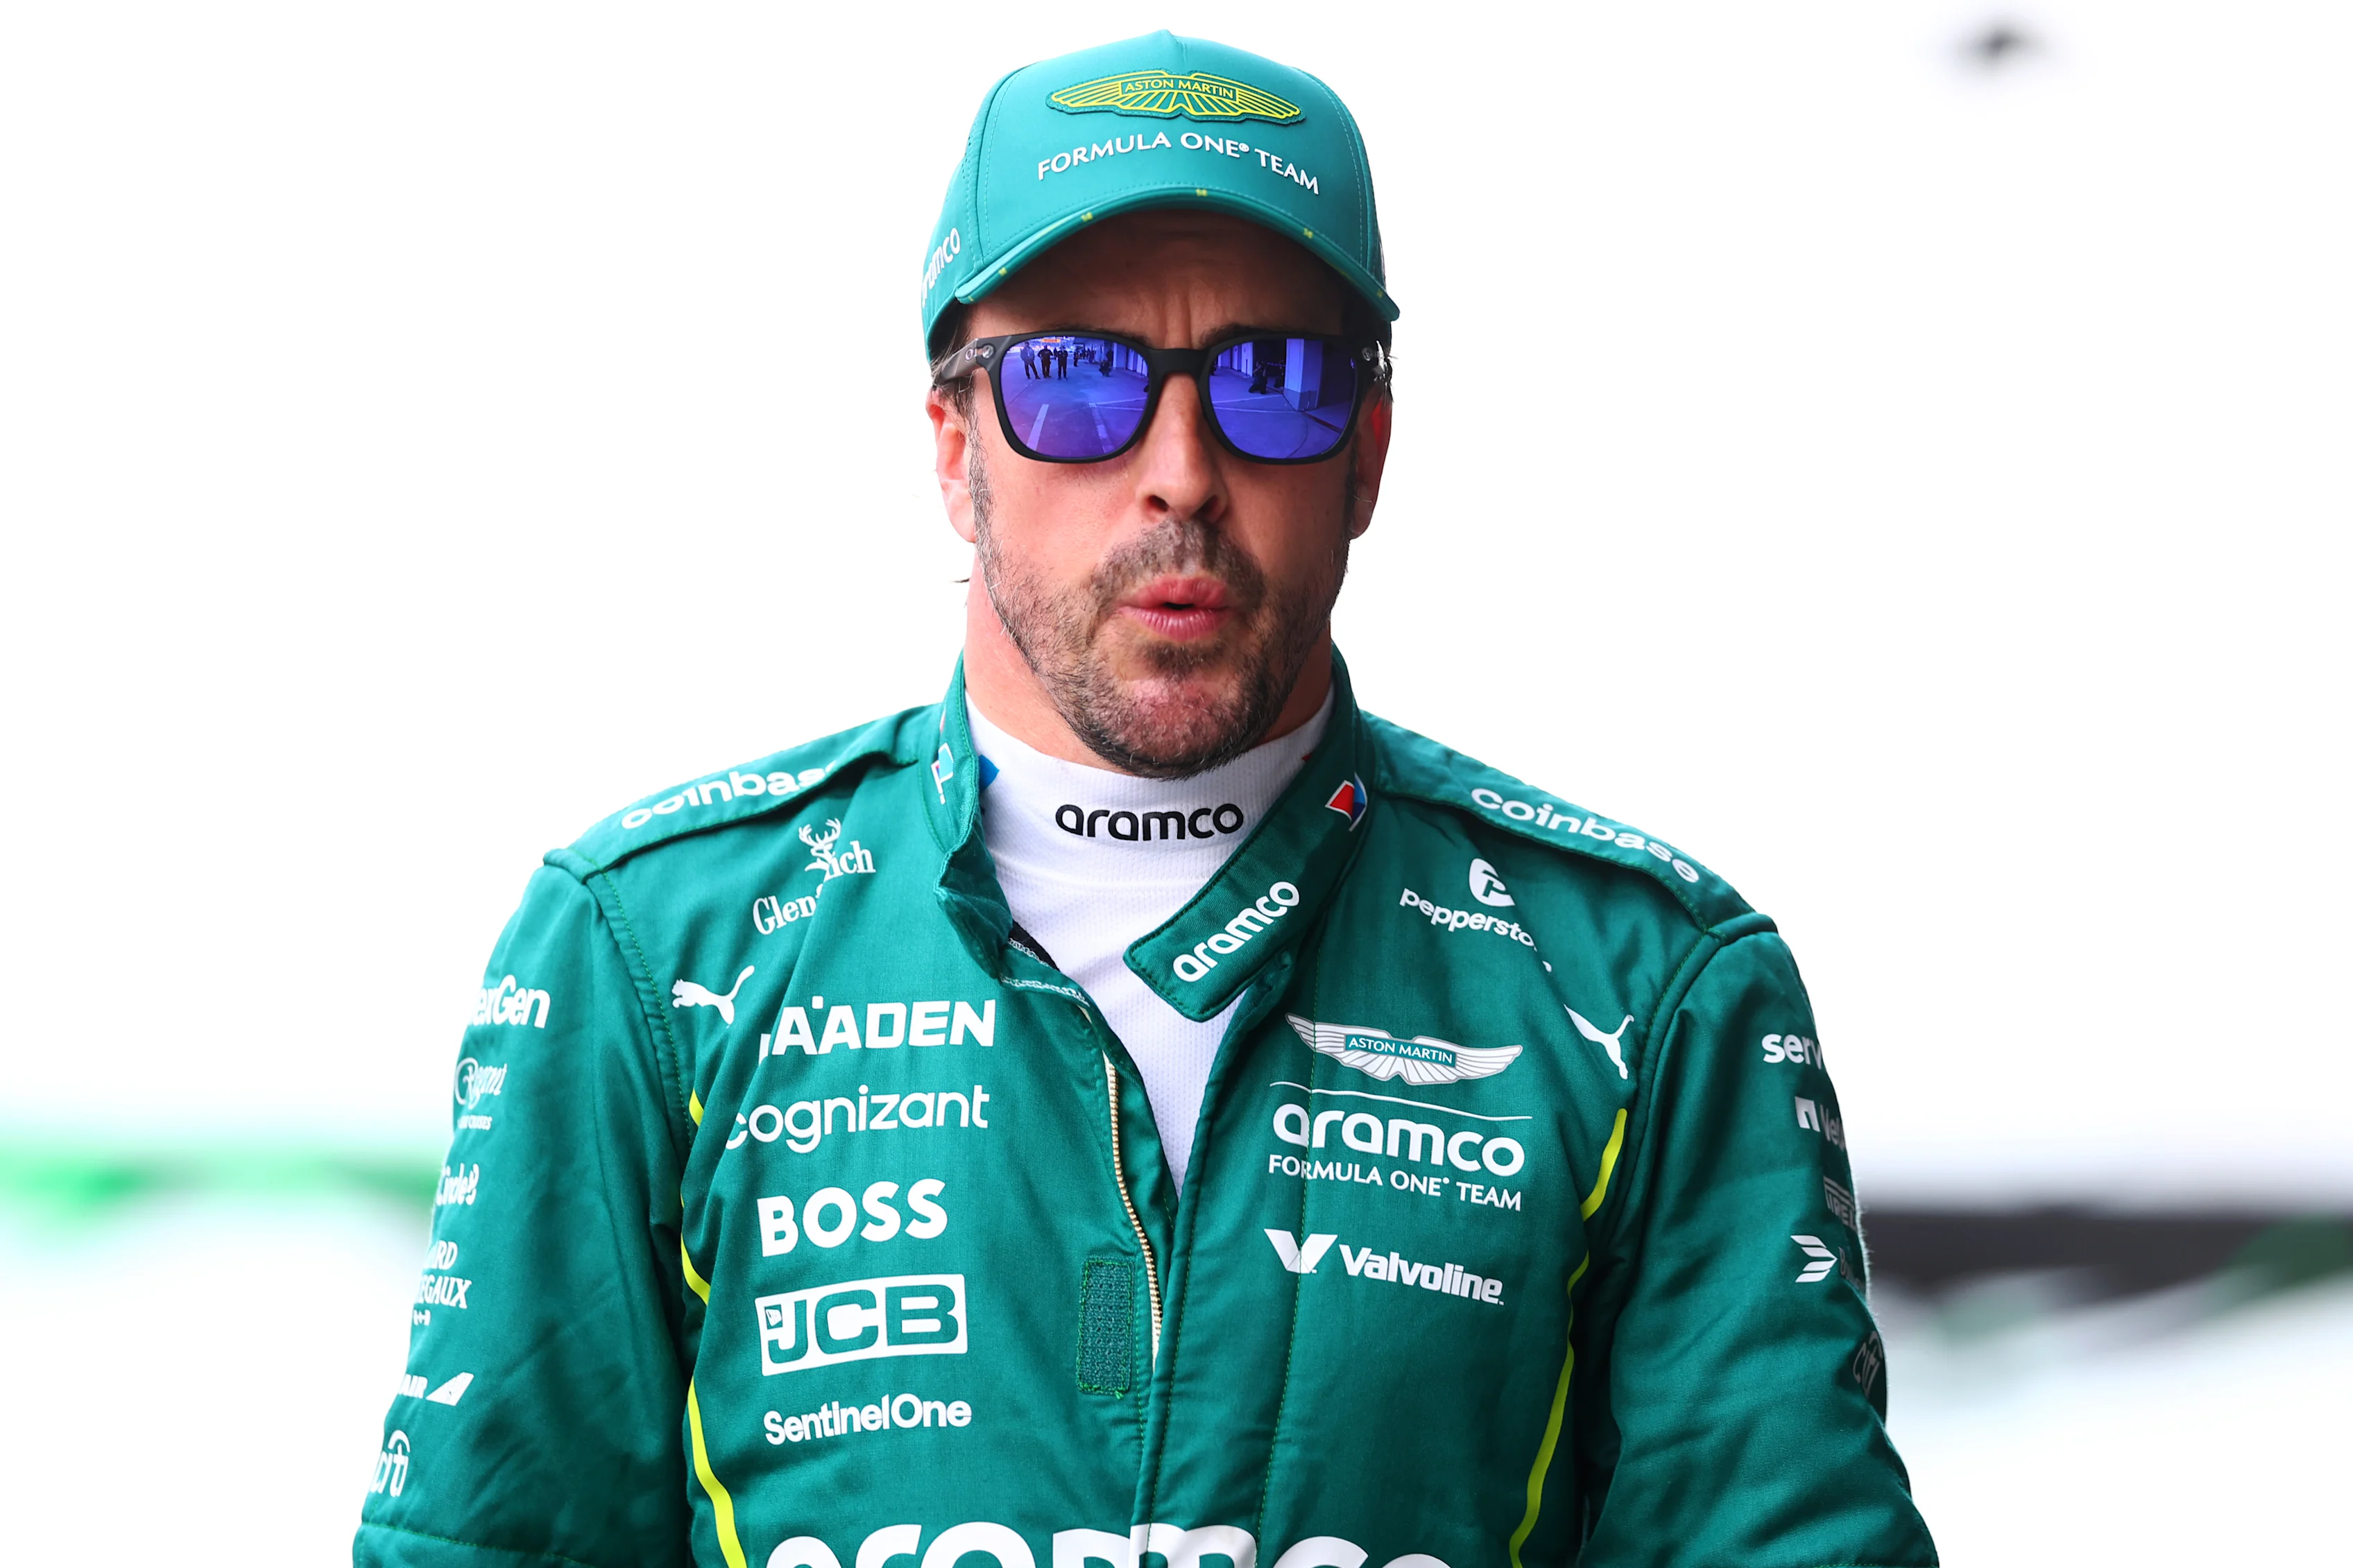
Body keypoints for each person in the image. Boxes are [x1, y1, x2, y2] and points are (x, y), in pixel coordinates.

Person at [355, 29, 1935, 1568]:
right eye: (1074, 379)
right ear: (951, 447)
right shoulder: (646, 953)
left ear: (1369, 455)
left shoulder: (1648, 986)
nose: (1179, 469)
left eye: (1275, 379)